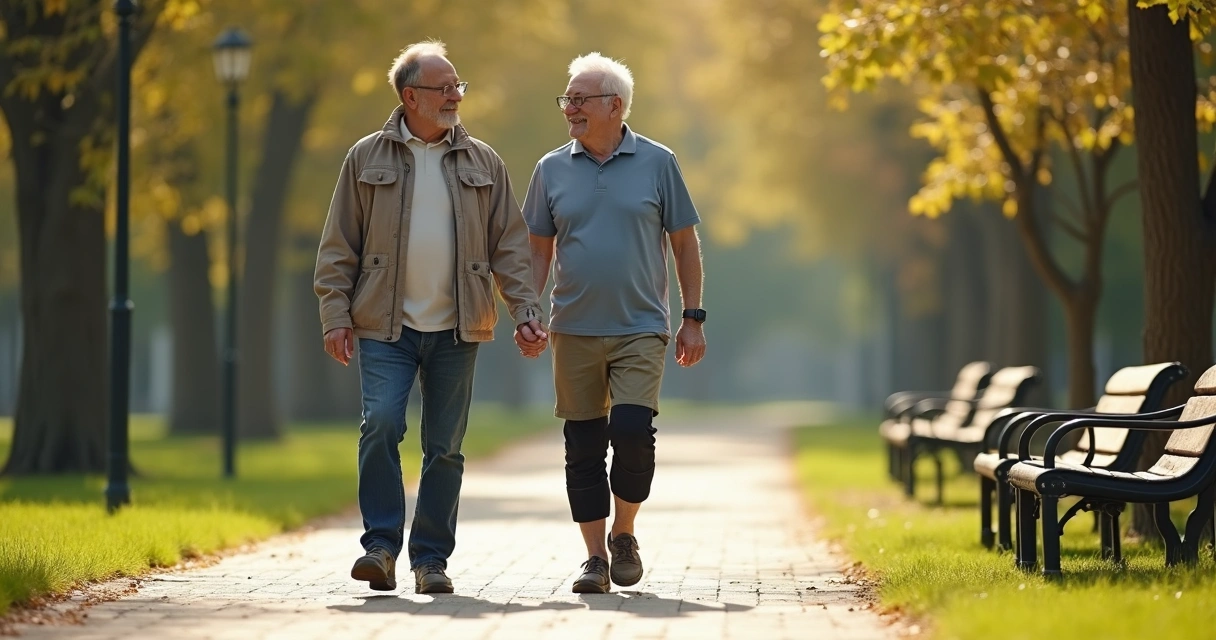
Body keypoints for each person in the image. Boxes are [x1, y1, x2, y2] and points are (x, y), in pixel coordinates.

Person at [314, 40, 548, 595]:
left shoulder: (484, 161)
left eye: (457, 86)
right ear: (410, 96)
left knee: (445, 447)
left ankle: (430, 560)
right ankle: (380, 547)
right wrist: (334, 314)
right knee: (381, 425)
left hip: (458, 327)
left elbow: (510, 248)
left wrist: (526, 312)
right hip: (384, 326)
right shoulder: (364, 157)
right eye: (443, 88)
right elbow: (338, 245)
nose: (455, 96)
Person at [522, 52, 707, 594]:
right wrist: (528, 312)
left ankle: (624, 533)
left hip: (640, 327)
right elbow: (537, 251)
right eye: (567, 99)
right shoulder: (550, 168)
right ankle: (595, 559)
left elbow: (684, 245)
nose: (569, 108)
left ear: (615, 105)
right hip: (572, 328)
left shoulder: (658, 162)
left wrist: (692, 318)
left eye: (580, 99)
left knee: (631, 432)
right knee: (582, 445)